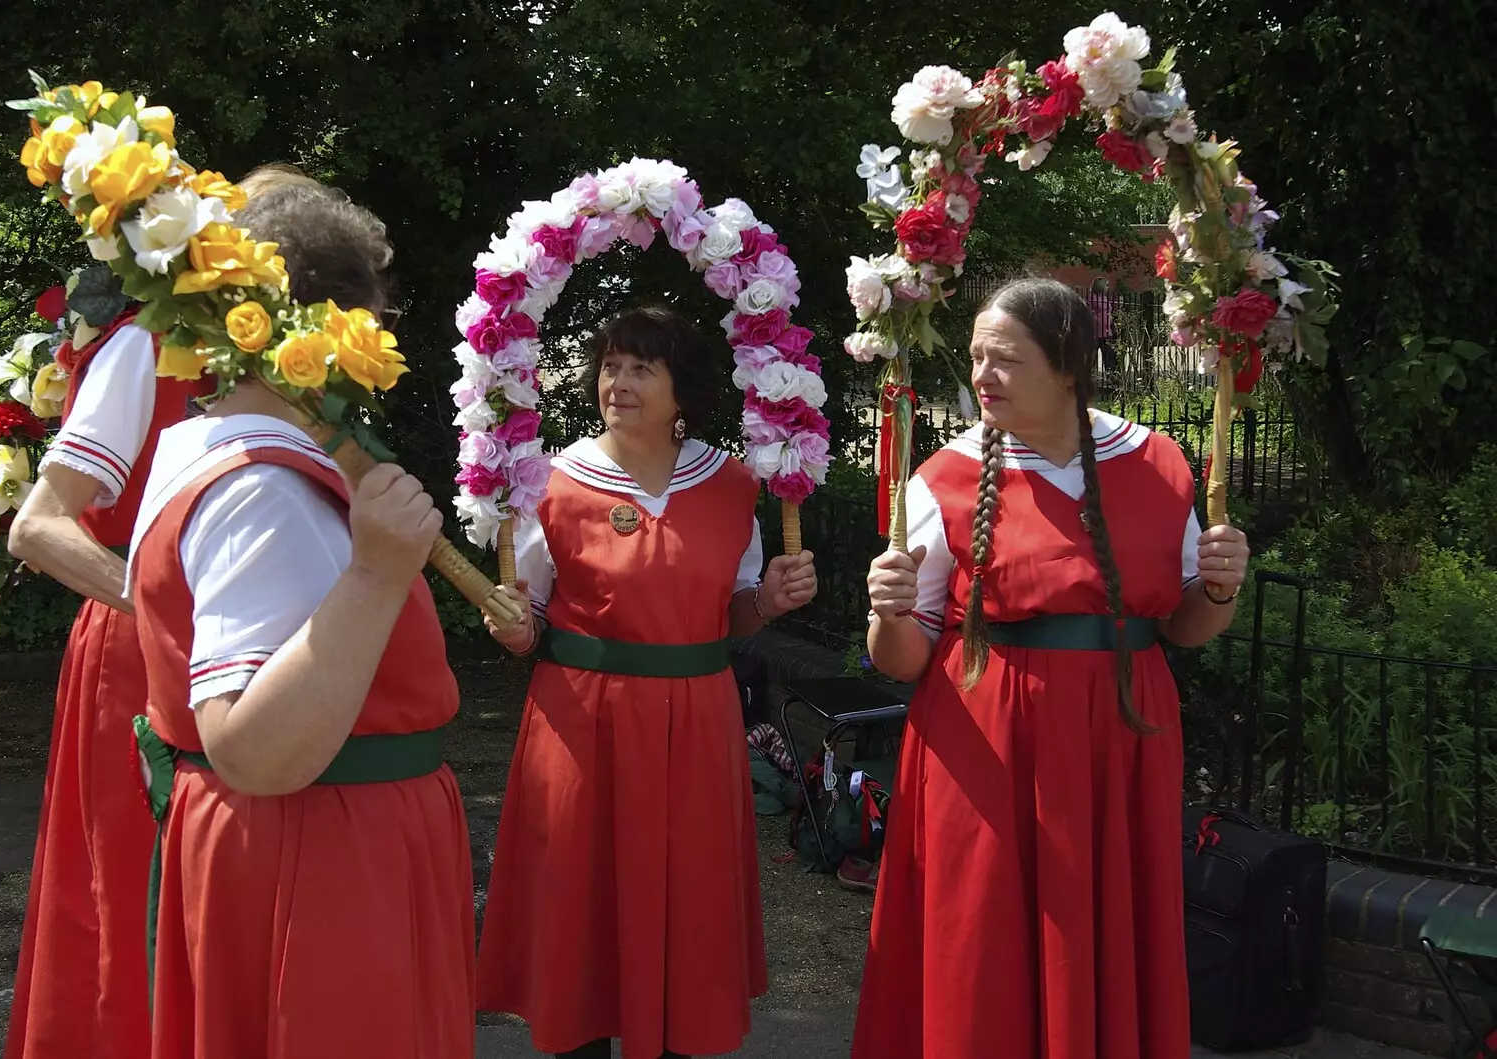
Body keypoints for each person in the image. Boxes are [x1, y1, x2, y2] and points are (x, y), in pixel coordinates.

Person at [852, 277, 1249, 1059]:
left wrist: (1222, 587)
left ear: (1068, 365)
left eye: (1003, 359)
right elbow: (903, 661)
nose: (982, 376)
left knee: (1104, 932)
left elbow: (1187, 628)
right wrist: (886, 611)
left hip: (1120, 741)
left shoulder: (1159, 461)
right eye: (974, 358)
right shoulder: (941, 478)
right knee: (982, 940)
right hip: (984, 745)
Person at [127, 181, 474, 1058]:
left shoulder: (222, 450)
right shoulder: (262, 487)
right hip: (320, 869)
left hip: (328, 850)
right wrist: (376, 570)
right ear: (336, 326)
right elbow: (253, 748)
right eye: (376, 318)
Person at [475, 307, 819, 1059]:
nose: (618, 383)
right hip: (580, 729)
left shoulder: (731, 485)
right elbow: (527, 617)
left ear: (680, 388)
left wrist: (768, 601)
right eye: (609, 367)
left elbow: (735, 615)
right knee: (582, 914)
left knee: (685, 914)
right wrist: (512, 630)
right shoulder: (552, 483)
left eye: (640, 368)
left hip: (697, 726)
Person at [1, 179, 237, 1059]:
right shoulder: (145, 350)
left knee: (216, 894)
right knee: (130, 896)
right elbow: (38, 526)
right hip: (138, 655)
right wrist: (161, 602)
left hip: (226, 657)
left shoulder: (262, 369)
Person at [1089, 276, 1119, 373]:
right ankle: (1091, 377)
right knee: (1092, 357)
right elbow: (1088, 312)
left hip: (1107, 332)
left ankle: (1111, 376)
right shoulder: (1092, 298)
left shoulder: (1105, 298)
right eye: (1106, 285)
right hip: (1096, 332)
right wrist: (1097, 320)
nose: (1108, 287)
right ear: (1100, 286)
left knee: (1110, 357)